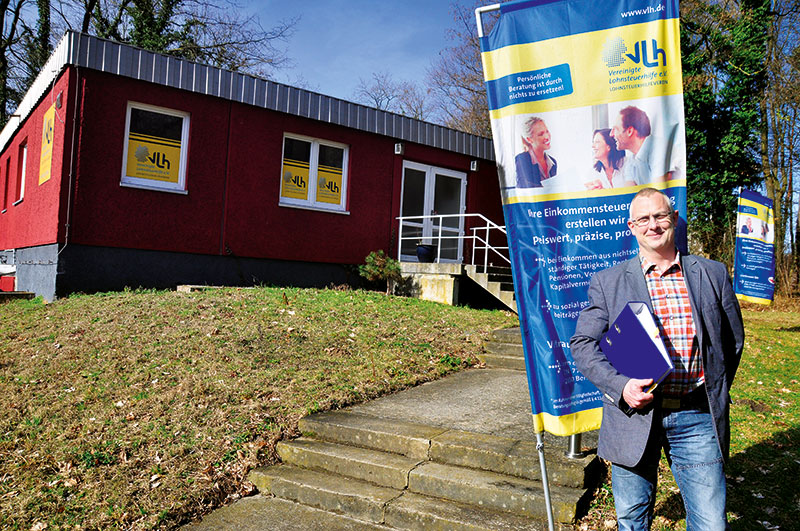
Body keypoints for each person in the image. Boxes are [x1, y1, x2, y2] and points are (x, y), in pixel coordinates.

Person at [570, 188, 744, 531]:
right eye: (644, 219)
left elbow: (731, 342)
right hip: (633, 416)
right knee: (632, 521)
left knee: (711, 523)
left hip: (696, 415)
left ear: (674, 220)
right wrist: (622, 387)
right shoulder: (608, 282)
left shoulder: (712, 273)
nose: (654, 225)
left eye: (660, 216)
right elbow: (582, 344)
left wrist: (713, 388)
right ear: (632, 227)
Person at [515, 116, 557, 188]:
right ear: (529, 139)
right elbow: (525, 186)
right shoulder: (522, 159)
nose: (547, 137)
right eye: (541, 134)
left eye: (547, 131)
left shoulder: (553, 162)